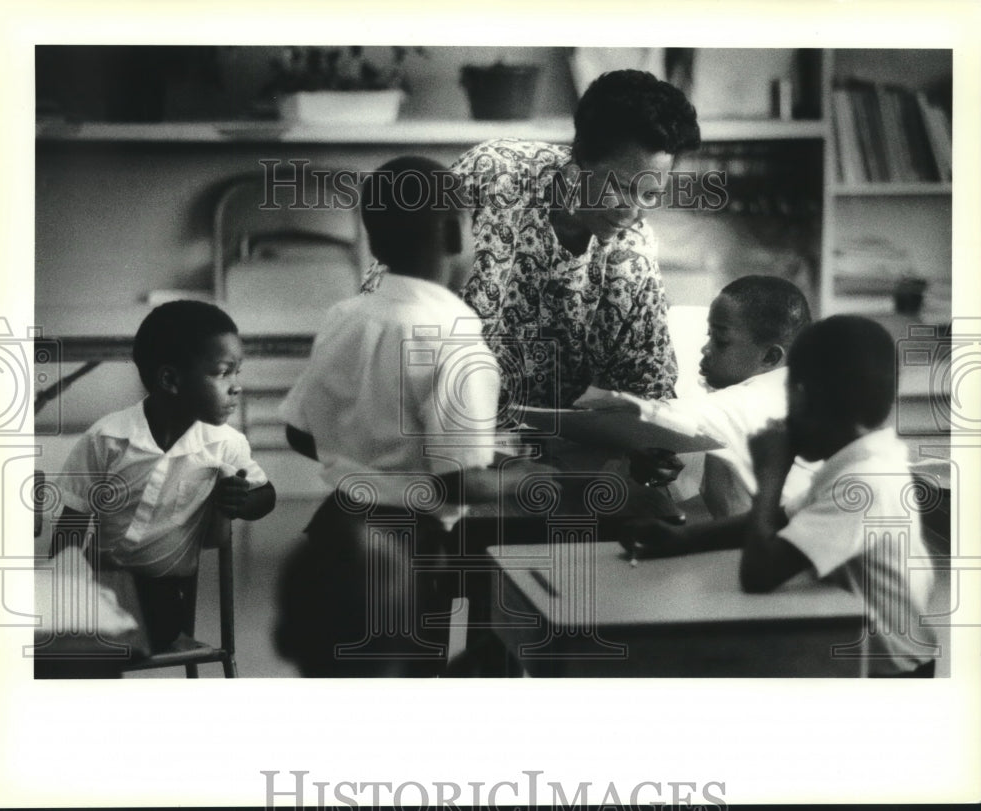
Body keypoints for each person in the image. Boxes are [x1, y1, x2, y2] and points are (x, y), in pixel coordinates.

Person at [277, 156, 549, 676]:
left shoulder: (345, 317)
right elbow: (458, 485)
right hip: (405, 556)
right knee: (403, 689)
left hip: (334, 532)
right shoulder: (453, 337)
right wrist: (529, 479)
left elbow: (297, 431)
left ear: (375, 244)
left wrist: (364, 458)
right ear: (453, 232)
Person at [361, 70, 701, 411]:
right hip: (426, 409)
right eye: (623, 188)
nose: (633, 213)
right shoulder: (493, 176)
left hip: (538, 444)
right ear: (580, 158)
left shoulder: (634, 254)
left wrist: (654, 443)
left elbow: (650, 386)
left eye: (651, 194)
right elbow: (391, 288)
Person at [621, 315, 937, 677]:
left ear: (803, 397)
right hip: (865, 653)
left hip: (891, 673)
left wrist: (771, 473)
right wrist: (681, 538)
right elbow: (785, 519)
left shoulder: (866, 482)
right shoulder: (859, 461)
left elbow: (760, 573)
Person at [51, 301, 276, 652]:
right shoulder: (108, 438)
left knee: (122, 632)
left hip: (168, 591)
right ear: (171, 379)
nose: (236, 387)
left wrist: (242, 499)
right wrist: (63, 590)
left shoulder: (225, 444)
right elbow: (72, 520)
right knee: (67, 637)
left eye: (237, 372)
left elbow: (266, 495)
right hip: (101, 581)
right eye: (222, 373)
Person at [579, 275, 816, 516]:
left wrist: (567, 398)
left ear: (770, 357)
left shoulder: (750, 401)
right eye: (708, 335)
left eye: (721, 341)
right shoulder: (799, 392)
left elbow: (632, 414)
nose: (705, 349)